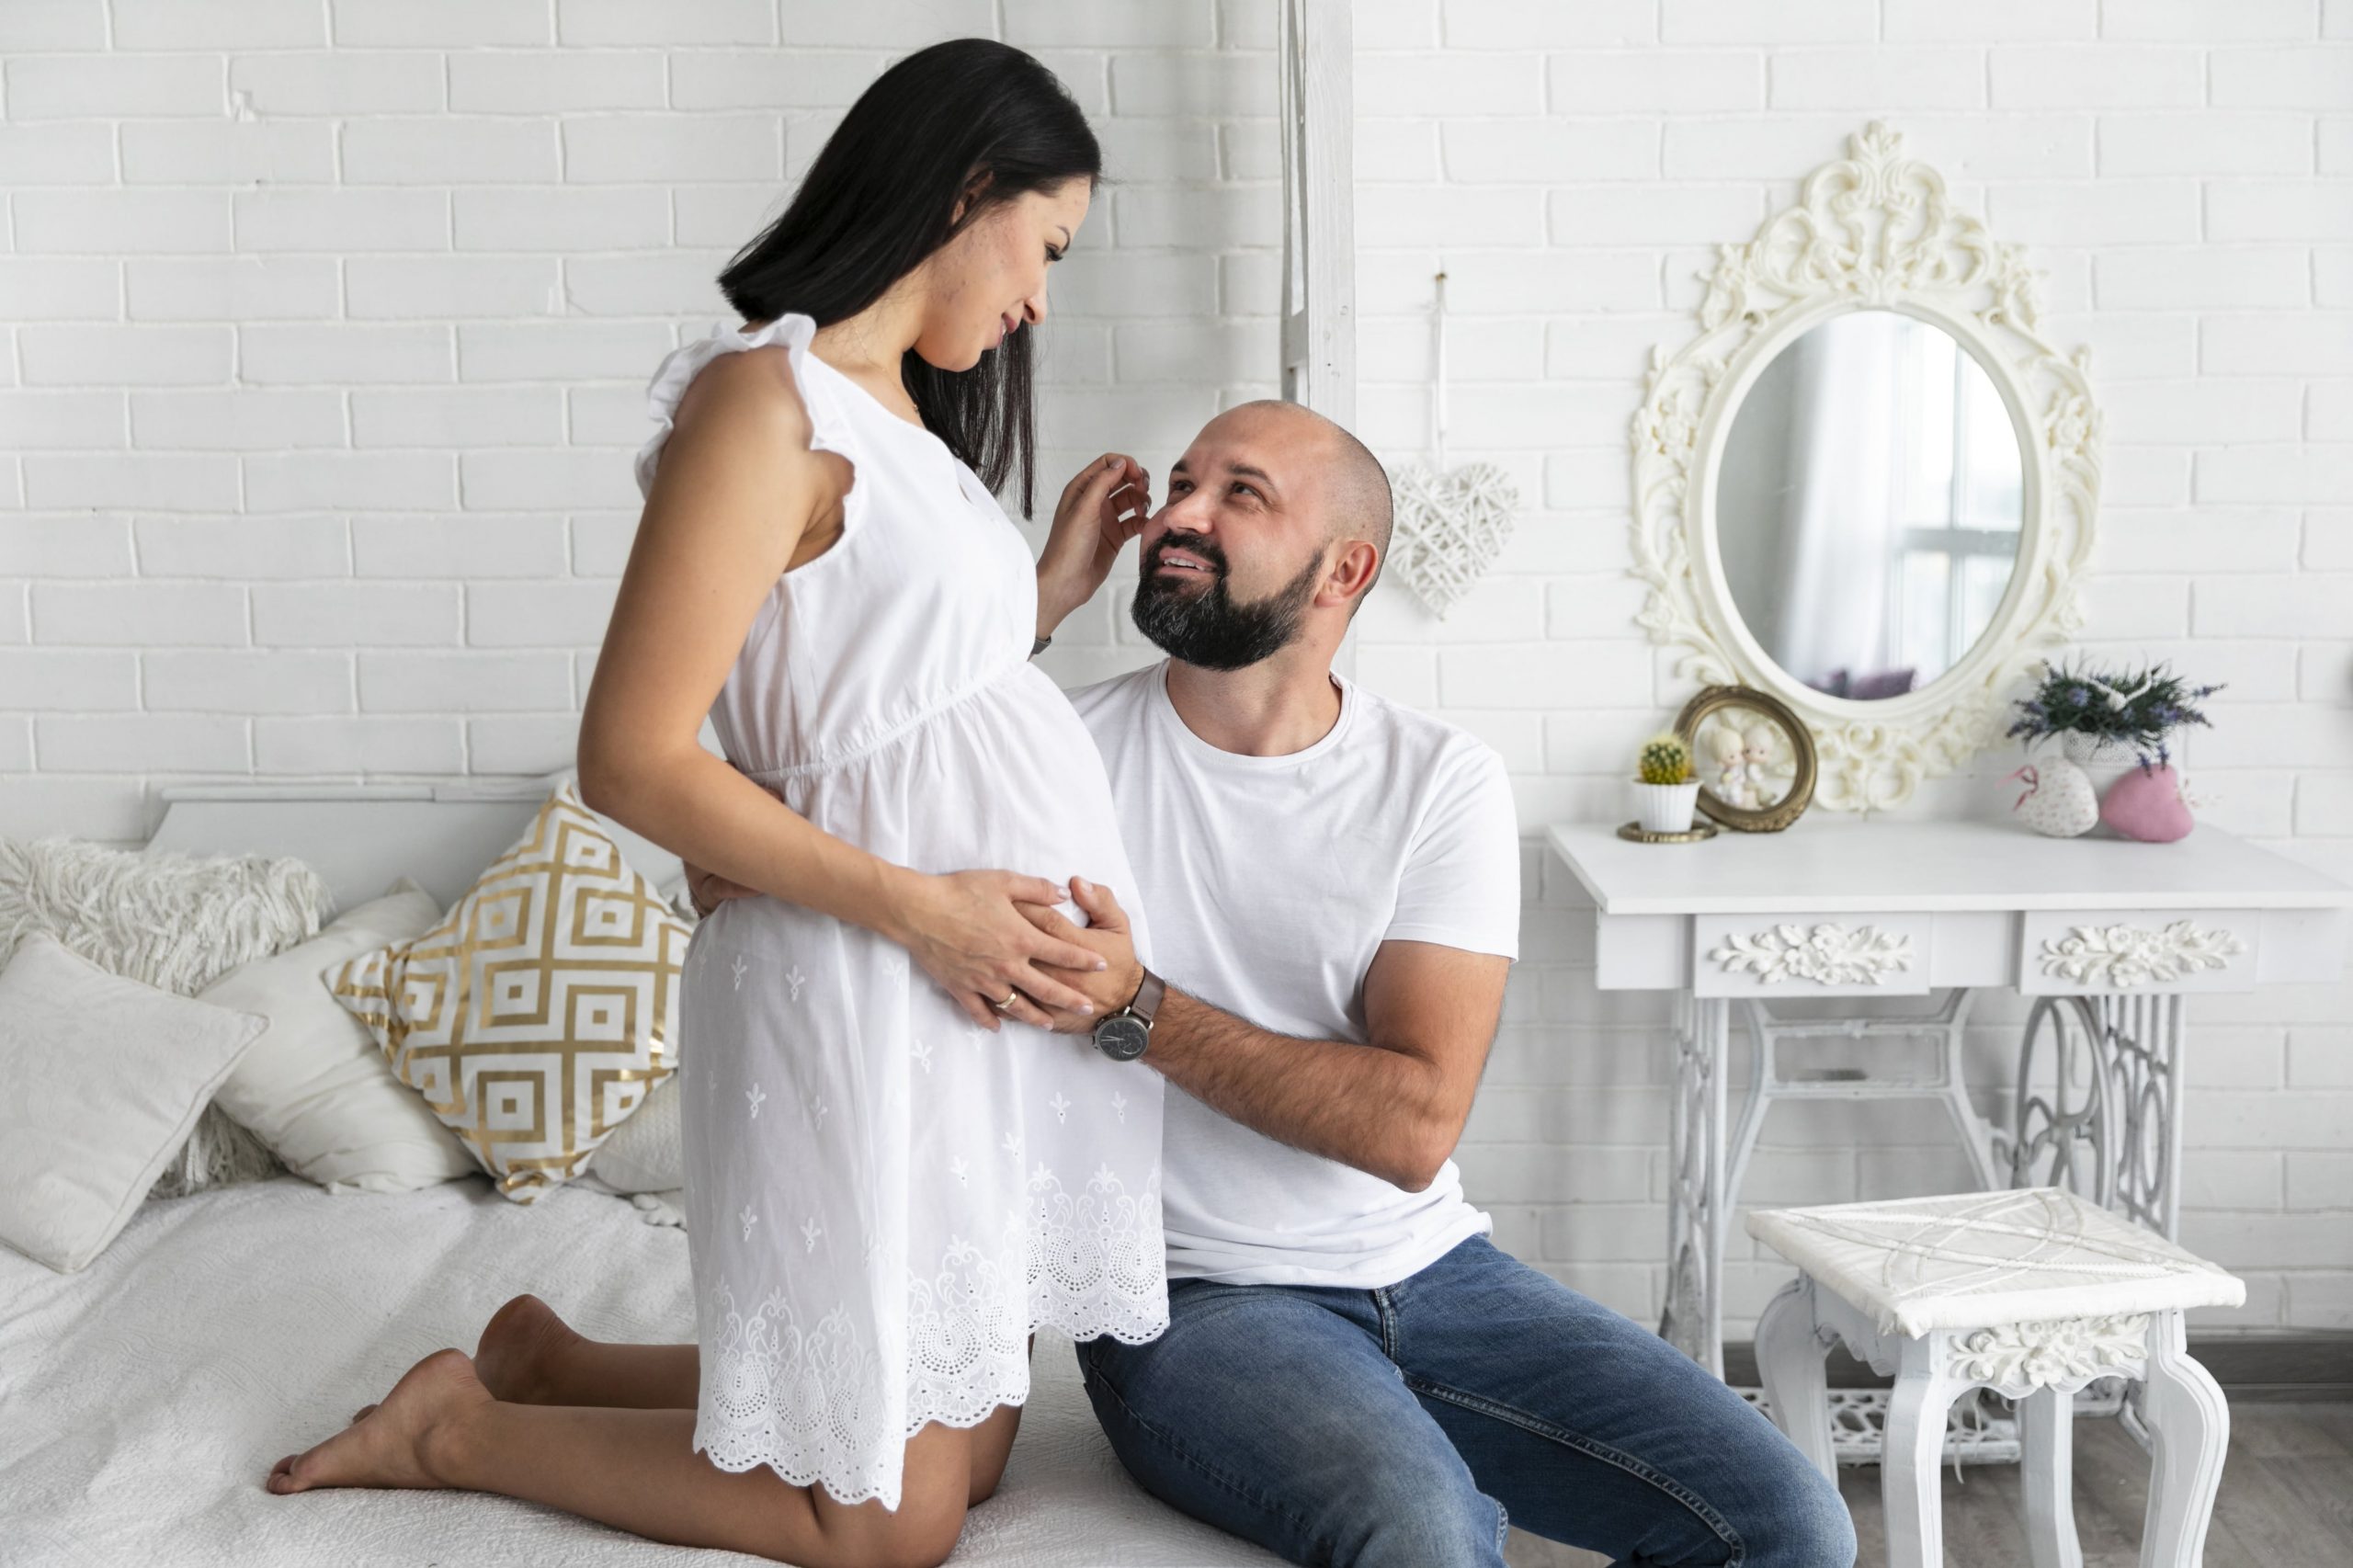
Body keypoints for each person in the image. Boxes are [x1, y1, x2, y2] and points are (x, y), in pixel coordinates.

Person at [263, 41, 1174, 1568]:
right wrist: (931, 909)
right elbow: (634, 756)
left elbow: (877, 701)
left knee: (982, 1418)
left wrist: (1041, 597)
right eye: (1048, 247)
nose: (1037, 300)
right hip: (863, 974)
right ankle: (459, 1426)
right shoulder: (767, 406)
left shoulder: (900, 419)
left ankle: (553, 1364)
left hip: (941, 989)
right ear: (968, 188)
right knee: (889, 1531)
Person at [700, 395, 1859, 1566]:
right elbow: (727, 856)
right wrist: (1027, 612)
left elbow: (1412, 1124)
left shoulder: (1439, 780)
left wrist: (1135, 1008)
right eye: (1183, 481)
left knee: (1790, 1525)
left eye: (1239, 493)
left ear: (1341, 569)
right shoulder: (1054, 753)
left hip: (1437, 1269)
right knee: (1426, 1533)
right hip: (1200, 1304)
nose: (1179, 514)